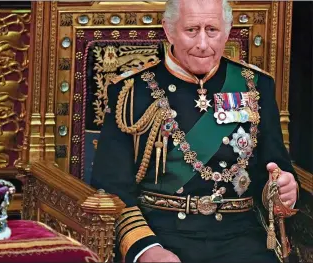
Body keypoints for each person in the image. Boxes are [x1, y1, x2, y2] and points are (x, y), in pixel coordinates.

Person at [91, 0, 299, 262]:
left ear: (227, 30)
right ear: (168, 30)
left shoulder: (256, 86)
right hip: (163, 235)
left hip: (242, 237)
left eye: (212, 30)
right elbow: (110, 185)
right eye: (192, 30)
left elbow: (276, 169)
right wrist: (144, 249)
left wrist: (283, 190)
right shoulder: (132, 92)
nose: (203, 43)